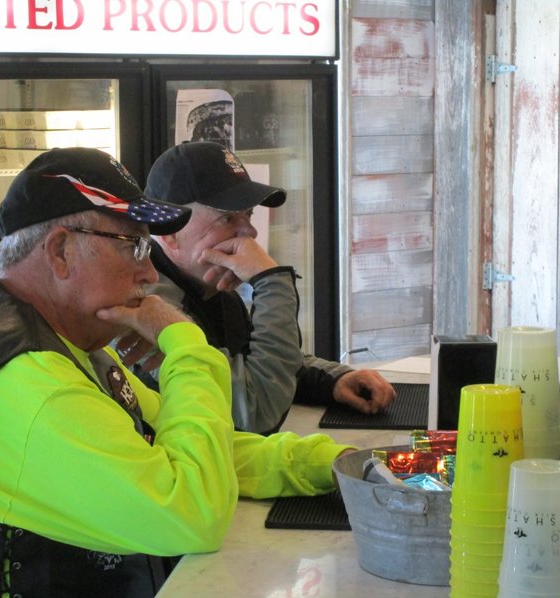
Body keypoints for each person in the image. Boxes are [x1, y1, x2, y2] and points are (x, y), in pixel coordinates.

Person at [0, 147, 356, 598]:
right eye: (133, 246)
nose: (149, 273)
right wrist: (185, 342)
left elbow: (176, 446)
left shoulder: (61, 341)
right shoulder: (30, 384)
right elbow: (190, 514)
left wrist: (332, 465)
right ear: (61, 251)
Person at [135, 141, 397, 434]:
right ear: (169, 231)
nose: (250, 232)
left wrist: (333, 381)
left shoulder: (213, 292)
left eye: (247, 214)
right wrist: (271, 282)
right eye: (227, 218)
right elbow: (255, 410)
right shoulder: (146, 311)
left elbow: (259, 359)